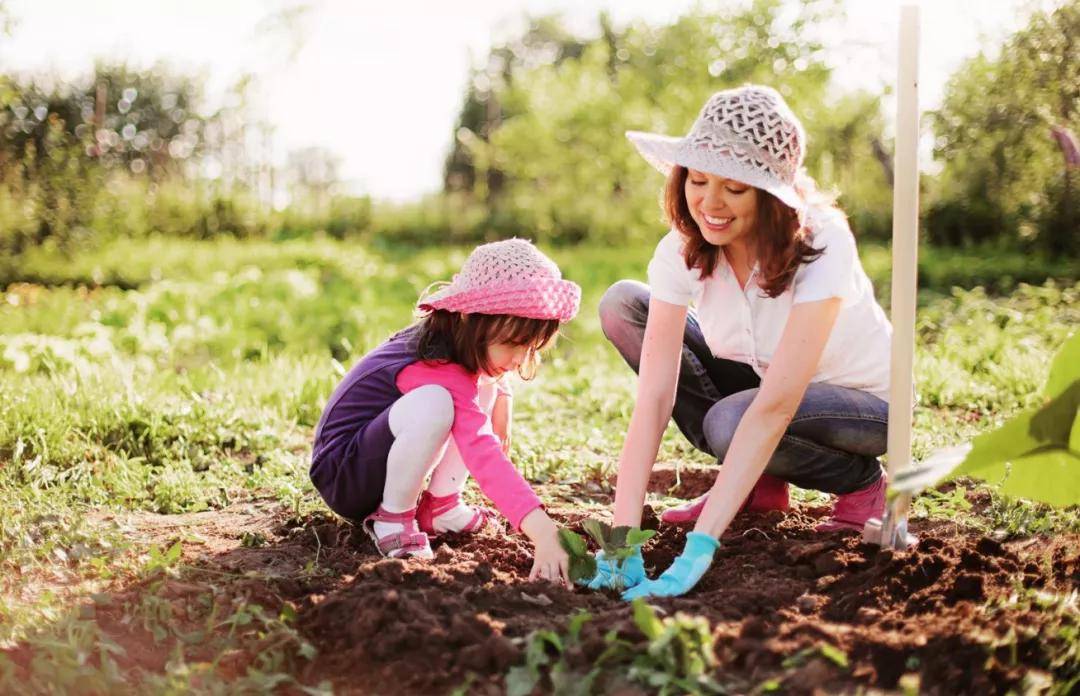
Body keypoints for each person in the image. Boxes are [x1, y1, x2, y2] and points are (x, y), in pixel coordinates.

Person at [590, 84, 894, 598]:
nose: (710, 203)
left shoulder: (822, 242)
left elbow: (774, 406)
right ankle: (758, 485)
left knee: (732, 423)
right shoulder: (684, 248)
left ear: (771, 197)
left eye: (734, 188)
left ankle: (862, 486)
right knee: (625, 305)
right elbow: (656, 397)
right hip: (764, 382)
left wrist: (698, 551)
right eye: (698, 179)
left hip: (863, 408)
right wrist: (622, 541)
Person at [309, 239, 581, 586]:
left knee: (483, 385)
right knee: (437, 402)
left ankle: (441, 506)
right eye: (513, 345)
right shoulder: (433, 363)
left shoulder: (459, 345)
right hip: (345, 475)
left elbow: (485, 387)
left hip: (375, 460)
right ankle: (393, 519)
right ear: (470, 318)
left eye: (530, 348)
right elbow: (482, 451)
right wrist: (542, 531)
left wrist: (501, 395)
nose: (519, 359)